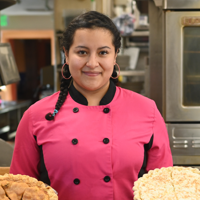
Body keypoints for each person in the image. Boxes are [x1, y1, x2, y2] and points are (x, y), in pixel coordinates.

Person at [10, 11, 173, 200]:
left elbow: (163, 190)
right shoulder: (35, 116)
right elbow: (19, 192)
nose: (92, 63)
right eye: (82, 52)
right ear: (66, 55)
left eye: (103, 52)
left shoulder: (147, 110)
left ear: (115, 56)